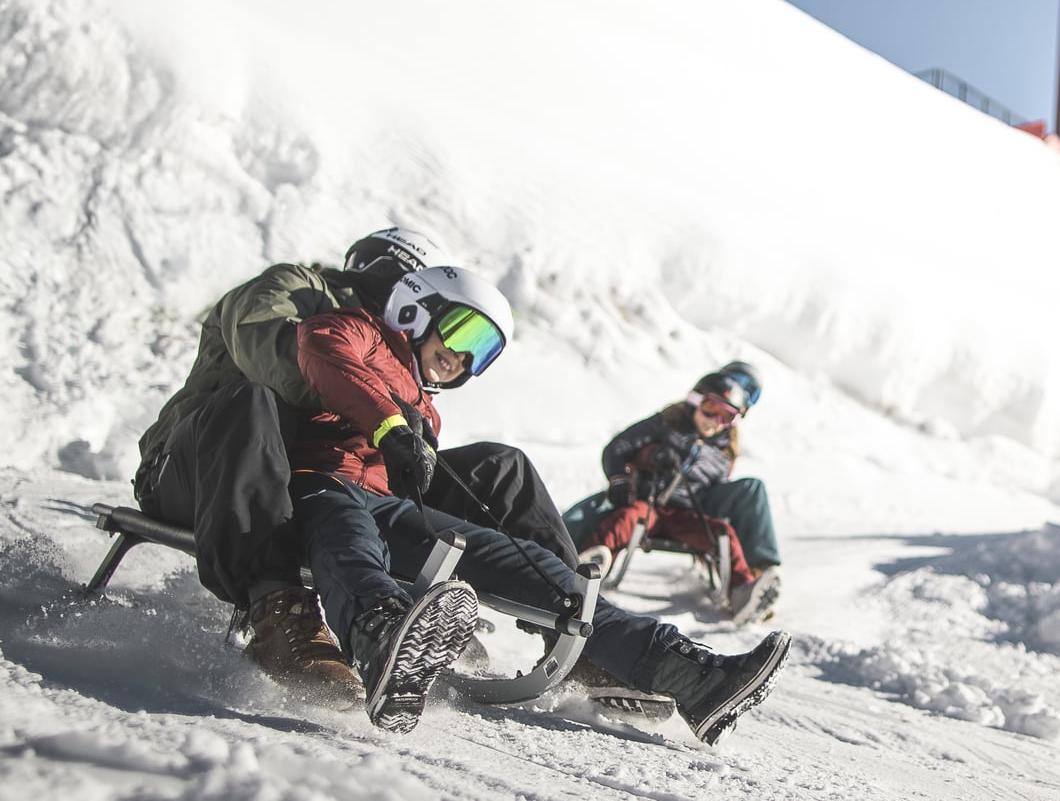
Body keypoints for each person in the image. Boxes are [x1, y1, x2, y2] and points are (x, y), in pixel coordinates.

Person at [290, 265, 790, 739]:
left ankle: (692, 677)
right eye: (464, 335)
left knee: (546, 573)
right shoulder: (361, 330)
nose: (462, 359)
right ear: (416, 308)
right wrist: (389, 425)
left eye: (479, 353)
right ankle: (383, 640)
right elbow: (320, 346)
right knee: (347, 536)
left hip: (390, 506)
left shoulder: (426, 407)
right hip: (319, 484)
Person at [132, 228, 591, 702]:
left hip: (308, 483)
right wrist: (384, 410)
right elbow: (273, 354)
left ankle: (574, 630)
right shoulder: (296, 288)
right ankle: (277, 613)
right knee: (252, 401)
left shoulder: (390, 345)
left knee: (500, 468)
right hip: (202, 467)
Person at [569, 363, 784, 625]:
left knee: (721, 533)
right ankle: (594, 561)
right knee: (627, 519)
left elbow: (715, 491)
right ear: (696, 401)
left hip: (685, 515)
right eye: (711, 409)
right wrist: (622, 477)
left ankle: (742, 592)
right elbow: (618, 447)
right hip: (648, 503)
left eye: (725, 417)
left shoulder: (722, 452)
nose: (715, 421)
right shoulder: (667, 424)